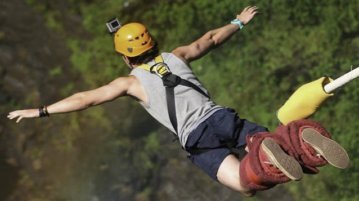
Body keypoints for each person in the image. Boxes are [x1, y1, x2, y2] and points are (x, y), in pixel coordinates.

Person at [7, 6, 349, 196]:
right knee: (270, 144)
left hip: (197, 140)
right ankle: (298, 143)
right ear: (153, 45)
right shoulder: (177, 56)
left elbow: (85, 99)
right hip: (221, 118)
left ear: (126, 59)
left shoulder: (128, 83)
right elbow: (211, 39)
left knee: (246, 183)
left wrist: (40, 111)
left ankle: (267, 155)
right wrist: (238, 22)